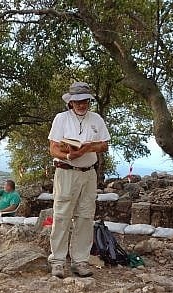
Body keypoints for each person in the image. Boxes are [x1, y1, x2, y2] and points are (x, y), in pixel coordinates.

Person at [47, 82, 110, 278]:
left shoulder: (96, 119)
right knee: (62, 215)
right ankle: (57, 261)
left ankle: (80, 261)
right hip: (66, 171)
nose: (81, 104)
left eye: (85, 101)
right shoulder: (61, 119)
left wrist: (87, 148)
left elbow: (105, 145)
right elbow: (53, 148)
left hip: (89, 173)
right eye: (78, 101)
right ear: (71, 102)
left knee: (85, 216)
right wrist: (68, 155)